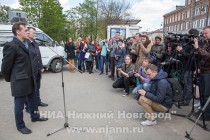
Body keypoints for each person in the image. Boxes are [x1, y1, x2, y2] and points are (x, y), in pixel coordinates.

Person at [1, 22, 48, 134]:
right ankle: (20, 125)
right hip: (19, 81)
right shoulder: (11, 45)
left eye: (28, 30)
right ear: (18, 31)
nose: (28, 32)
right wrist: (12, 79)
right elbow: (5, 67)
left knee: (33, 101)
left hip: (30, 78)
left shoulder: (28, 43)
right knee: (19, 105)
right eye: (26, 30)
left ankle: (35, 116)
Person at [24, 27, 48, 113]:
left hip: (37, 70)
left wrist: (41, 66)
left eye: (35, 33)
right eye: (33, 33)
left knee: (37, 87)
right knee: (30, 89)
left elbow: (38, 56)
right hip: (31, 71)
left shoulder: (35, 43)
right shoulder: (25, 44)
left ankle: (38, 102)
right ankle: (28, 107)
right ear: (28, 33)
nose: (35, 34)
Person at [176, 29, 199, 106]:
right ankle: (183, 98)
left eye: (189, 35)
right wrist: (180, 52)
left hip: (190, 67)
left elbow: (191, 56)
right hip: (185, 66)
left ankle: (186, 100)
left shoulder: (196, 44)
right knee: (185, 83)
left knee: (188, 85)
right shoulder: (188, 44)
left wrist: (182, 51)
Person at [193, 26, 210, 120]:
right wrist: (199, 68)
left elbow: (208, 57)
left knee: (207, 94)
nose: (204, 35)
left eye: (206, 33)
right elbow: (202, 57)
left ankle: (207, 114)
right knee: (203, 93)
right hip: (203, 71)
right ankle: (203, 111)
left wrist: (198, 48)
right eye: (203, 33)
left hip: (208, 72)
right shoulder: (206, 44)